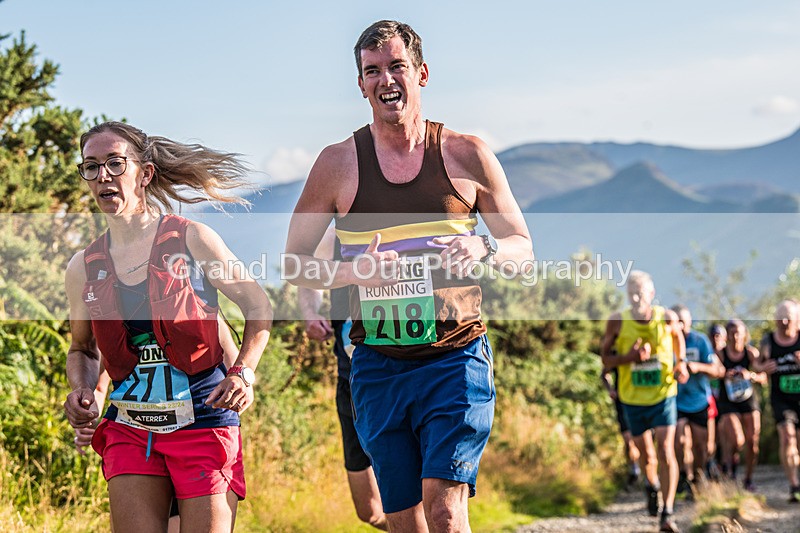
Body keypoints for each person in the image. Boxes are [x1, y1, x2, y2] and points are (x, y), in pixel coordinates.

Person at [284, 20, 534, 531]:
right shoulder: (337, 164)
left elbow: (522, 249)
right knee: (403, 521)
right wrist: (353, 273)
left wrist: (483, 246)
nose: (385, 80)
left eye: (396, 66)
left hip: (455, 357)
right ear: (360, 84)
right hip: (377, 366)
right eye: (372, 71)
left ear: (421, 73)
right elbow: (294, 264)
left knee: (444, 509)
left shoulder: (467, 154)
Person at [63, 121, 272, 533]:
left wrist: (243, 373)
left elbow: (257, 305)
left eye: (115, 163)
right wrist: (82, 389)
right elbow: (83, 349)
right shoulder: (83, 267)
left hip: (203, 418)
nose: (102, 175)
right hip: (130, 426)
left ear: (145, 174)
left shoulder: (191, 239)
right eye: (91, 166)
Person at [297, 226, 387, 529]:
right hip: (352, 379)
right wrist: (311, 312)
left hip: (404, 376)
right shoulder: (337, 232)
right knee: (371, 510)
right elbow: (307, 269)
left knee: (422, 496)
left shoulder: (410, 222)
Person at [601, 271, 688, 533]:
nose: (637, 298)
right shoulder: (617, 321)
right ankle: (651, 485)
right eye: (632, 293)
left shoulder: (667, 318)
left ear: (652, 294)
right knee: (647, 456)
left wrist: (681, 363)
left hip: (663, 395)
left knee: (665, 451)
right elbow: (605, 360)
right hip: (632, 399)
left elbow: (678, 338)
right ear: (627, 296)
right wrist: (629, 357)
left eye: (641, 292)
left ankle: (668, 512)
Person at [671, 305, 724, 499]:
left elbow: (717, 370)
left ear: (690, 321)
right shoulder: (666, 342)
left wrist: (696, 367)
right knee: (678, 440)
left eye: (684, 321)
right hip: (675, 401)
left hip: (699, 400)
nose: (681, 325)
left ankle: (698, 479)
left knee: (702, 446)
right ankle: (682, 476)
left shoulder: (700, 340)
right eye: (677, 321)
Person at [716, 319, 766, 491]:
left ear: (745, 335)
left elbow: (763, 377)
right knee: (737, 440)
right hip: (728, 402)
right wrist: (724, 374)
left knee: (753, 442)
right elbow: (712, 372)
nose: (736, 337)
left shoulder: (751, 353)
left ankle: (748, 479)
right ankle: (730, 466)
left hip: (749, 401)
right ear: (727, 336)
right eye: (732, 333)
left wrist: (750, 375)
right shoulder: (720, 354)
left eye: (739, 333)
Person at [758, 300, 800, 503]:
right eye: (780, 318)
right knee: (788, 438)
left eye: (788, 318)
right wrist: (762, 368)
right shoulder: (768, 341)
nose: (783, 322)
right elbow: (756, 364)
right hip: (781, 399)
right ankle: (794, 485)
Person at [601, 367, 656, 488]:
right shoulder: (620, 351)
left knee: (647, 444)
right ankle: (635, 471)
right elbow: (604, 373)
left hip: (647, 401)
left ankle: (650, 479)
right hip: (623, 403)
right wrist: (611, 390)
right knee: (629, 441)